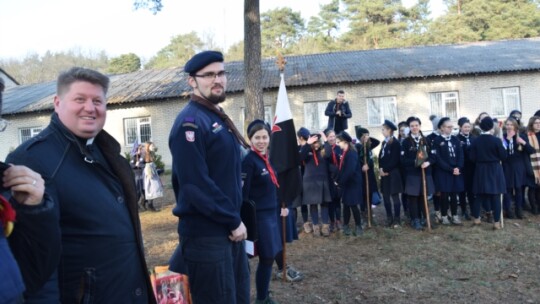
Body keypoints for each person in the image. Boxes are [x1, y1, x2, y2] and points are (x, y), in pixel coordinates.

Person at [6, 67, 155, 303]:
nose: (90, 107)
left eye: (97, 100)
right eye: (80, 99)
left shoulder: (107, 151)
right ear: (57, 103)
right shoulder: (32, 160)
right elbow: (33, 258)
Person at [168, 51, 249, 304]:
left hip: (227, 230)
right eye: (209, 75)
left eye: (222, 73)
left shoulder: (214, 117)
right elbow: (195, 185)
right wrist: (233, 220)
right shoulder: (189, 123)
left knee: (238, 297)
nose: (218, 80)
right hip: (208, 235)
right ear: (192, 81)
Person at [1, 78, 59, 303]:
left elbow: (32, 277)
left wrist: (34, 211)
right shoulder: (27, 155)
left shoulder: (7, 181)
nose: (91, 108)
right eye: (80, 99)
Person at [242, 120, 287, 304]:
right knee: (267, 257)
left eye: (264, 137)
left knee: (270, 257)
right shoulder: (248, 162)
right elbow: (243, 197)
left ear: (269, 137)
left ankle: (264, 294)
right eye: (257, 137)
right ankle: (261, 298)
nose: (261, 141)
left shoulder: (267, 159)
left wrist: (282, 206)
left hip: (272, 215)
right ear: (250, 139)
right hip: (259, 218)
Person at [469, 116, 507, 229]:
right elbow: (503, 156)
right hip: (494, 169)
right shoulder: (496, 141)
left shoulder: (476, 141)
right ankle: (496, 222)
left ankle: (476, 219)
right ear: (492, 127)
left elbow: (472, 157)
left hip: (480, 169)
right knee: (495, 196)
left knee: (479, 195)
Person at [401, 117, 436, 230]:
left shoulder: (427, 140)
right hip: (413, 174)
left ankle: (425, 218)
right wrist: (416, 162)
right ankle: (415, 219)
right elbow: (403, 160)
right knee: (413, 198)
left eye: (416, 125)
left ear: (420, 126)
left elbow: (434, 156)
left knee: (423, 197)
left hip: (425, 172)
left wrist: (428, 162)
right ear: (409, 128)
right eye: (412, 126)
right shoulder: (406, 142)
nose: (414, 127)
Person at [433, 117, 464, 225]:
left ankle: (455, 215)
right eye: (448, 127)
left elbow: (461, 155)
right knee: (444, 195)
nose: (451, 129)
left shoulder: (455, 139)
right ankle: (444, 215)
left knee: (454, 195)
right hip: (444, 172)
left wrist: (458, 168)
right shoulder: (437, 141)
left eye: (452, 127)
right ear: (441, 128)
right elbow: (438, 158)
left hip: (455, 171)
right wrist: (450, 169)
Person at [299, 132, 332, 236]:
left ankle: (325, 226)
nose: (316, 144)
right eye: (314, 142)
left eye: (318, 142)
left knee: (324, 203)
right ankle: (315, 226)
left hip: (322, 180)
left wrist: (326, 140)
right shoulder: (307, 151)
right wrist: (308, 144)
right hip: (310, 182)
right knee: (313, 204)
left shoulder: (323, 151)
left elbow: (329, 153)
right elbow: (300, 157)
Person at [501, 117, 534, 219]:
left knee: (519, 189)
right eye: (508, 124)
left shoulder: (521, 136)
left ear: (515, 126)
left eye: (511, 125)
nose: (509, 126)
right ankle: (509, 210)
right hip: (507, 166)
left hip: (518, 166)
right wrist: (507, 139)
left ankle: (519, 210)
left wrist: (523, 143)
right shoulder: (503, 137)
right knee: (508, 189)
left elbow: (531, 150)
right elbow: (501, 152)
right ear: (505, 126)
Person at [335, 131, 363, 236]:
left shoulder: (351, 154)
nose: (337, 144)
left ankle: (358, 225)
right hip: (347, 184)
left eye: (339, 142)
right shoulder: (344, 153)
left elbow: (350, 171)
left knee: (353, 205)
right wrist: (337, 179)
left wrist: (340, 181)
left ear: (345, 142)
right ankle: (346, 225)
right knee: (346, 205)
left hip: (353, 184)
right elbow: (342, 169)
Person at [378, 120, 403, 227]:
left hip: (393, 174)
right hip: (384, 174)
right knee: (386, 197)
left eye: (383, 129)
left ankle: (397, 218)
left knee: (395, 197)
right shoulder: (384, 142)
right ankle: (389, 217)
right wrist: (380, 169)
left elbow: (395, 160)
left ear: (389, 130)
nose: (382, 131)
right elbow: (380, 158)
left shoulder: (395, 143)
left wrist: (385, 170)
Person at [355, 126, 380, 223]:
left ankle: (370, 215)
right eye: (364, 135)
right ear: (360, 137)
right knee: (363, 197)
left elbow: (377, 142)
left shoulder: (368, 147)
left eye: (368, 135)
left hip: (370, 176)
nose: (367, 137)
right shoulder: (357, 148)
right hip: (361, 177)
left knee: (369, 195)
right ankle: (364, 216)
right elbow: (356, 162)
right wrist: (362, 167)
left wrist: (367, 142)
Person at [322, 128, 342, 233]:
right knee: (330, 201)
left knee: (337, 200)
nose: (332, 138)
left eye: (334, 136)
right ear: (326, 137)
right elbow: (327, 156)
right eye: (330, 136)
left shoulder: (339, 148)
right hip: (328, 179)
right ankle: (332, 221)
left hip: (338, 178)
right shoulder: (324, 149)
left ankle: (338, 220)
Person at [457, 117, 476, 220]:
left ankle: (473, 210)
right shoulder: (457, 139)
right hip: (463, 168)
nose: (467, 129)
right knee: (462, 191)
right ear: (460, 127)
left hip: (472, 168)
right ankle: (464, 210)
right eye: (465, 127)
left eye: (468, 127)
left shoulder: (474, 138)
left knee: (471, 191)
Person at [142, 141, 164, 211]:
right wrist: (149, 171)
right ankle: (149, 205)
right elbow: (144, 163)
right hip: (148, 172)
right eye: (151, 145)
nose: (153, 147)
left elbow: (152, 160)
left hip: (152, 170)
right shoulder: (144, 153)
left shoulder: (150, 153)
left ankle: (144, 202)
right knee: (151, 188)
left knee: (153, 188)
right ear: (148, 146)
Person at [525, 116, 540, 214]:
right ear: (531, 124)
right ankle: (534, 207)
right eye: (536, 123)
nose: (538, 125)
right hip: (532, 165)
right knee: (532, 187)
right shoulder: (527, 135)